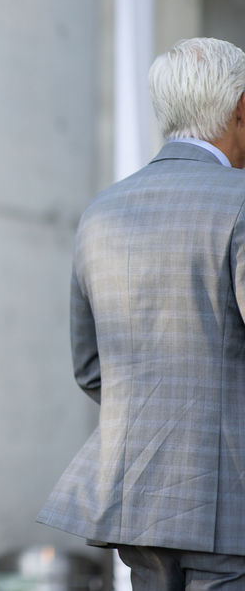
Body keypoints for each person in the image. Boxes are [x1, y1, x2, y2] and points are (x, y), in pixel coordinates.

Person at [37, 37, 245, 589]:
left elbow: (90, 369)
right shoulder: (241, 199)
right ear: (241, 108)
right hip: (234, 499)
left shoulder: (101, 210)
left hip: (138, 498)